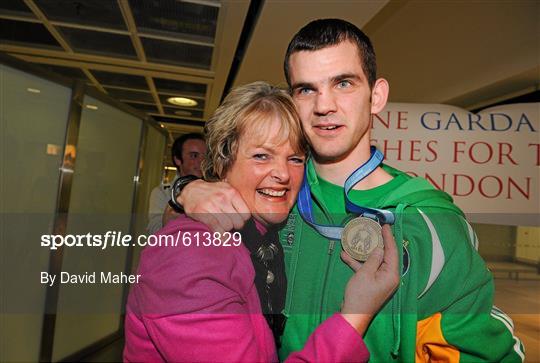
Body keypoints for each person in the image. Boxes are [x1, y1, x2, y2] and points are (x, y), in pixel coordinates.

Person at [175, 19, 525, 362]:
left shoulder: (430, 221)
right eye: (306, 89)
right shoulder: (270, 197)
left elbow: (482, 350)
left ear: (376, 96)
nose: (324, 105)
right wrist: (184, 192)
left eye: (343, 83)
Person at [124, 82, 399, 362]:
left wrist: (186, 187)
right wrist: (355, 316)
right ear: (223, 161)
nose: (282, 173)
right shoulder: (190, 251)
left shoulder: (267, 234)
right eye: (261, 156)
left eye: (295, 158)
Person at [146, 133, 206, 234]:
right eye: (194, 156)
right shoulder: (163, 193)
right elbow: (154, 230)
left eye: (206, 156)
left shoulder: (215, 190)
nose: (202, 161)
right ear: (178, 160)